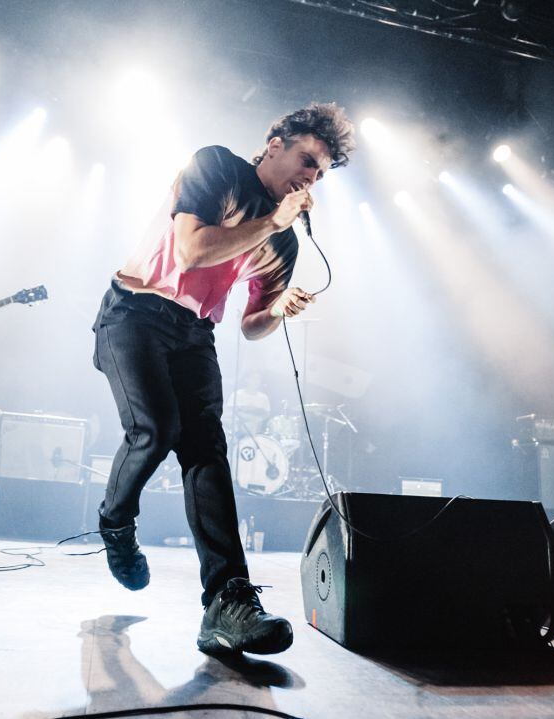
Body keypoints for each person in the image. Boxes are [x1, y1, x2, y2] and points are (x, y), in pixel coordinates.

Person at [92, 102, 354, 655]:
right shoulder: (217, 168)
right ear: (275, 143)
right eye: (308, 159)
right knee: (157, 429)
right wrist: (272, 221)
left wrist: (281, 306)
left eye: (322, 173)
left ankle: (227, 603)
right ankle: (116, 521)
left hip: (194, 334)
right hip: (134, 312)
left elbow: (253, 325)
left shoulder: (280, 243)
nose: (312, 176)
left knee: (207, 451)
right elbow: (191, 249)